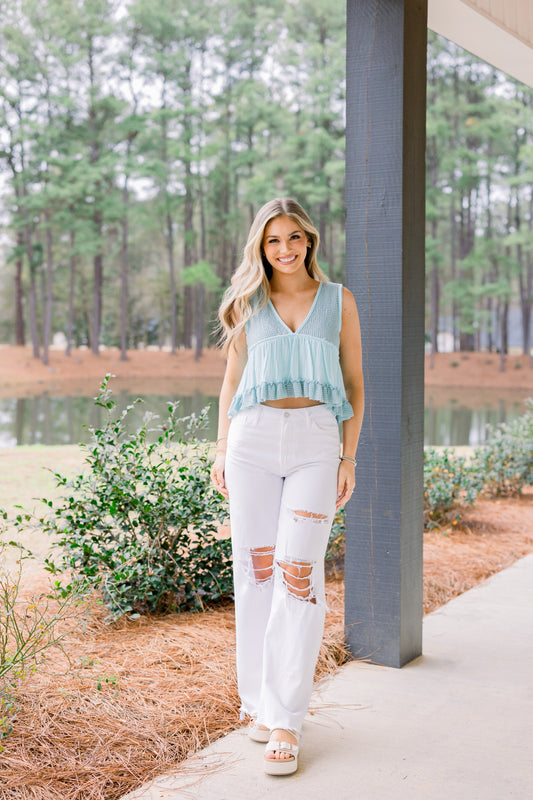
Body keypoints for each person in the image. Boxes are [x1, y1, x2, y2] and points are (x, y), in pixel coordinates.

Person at [211, 197, 364, 776]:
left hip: (315, 441)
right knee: (256, 572)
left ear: (310, 241)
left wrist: (348, 456)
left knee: (298, 576)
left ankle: (286, 721)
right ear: (261, 246)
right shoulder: (248, 303)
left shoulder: (339, 301)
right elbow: (231, 382)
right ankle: (259, 703)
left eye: (294, 238)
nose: (285, 250)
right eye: (273, 241)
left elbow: (355, 383)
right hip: (251, 439)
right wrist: (222, 448)